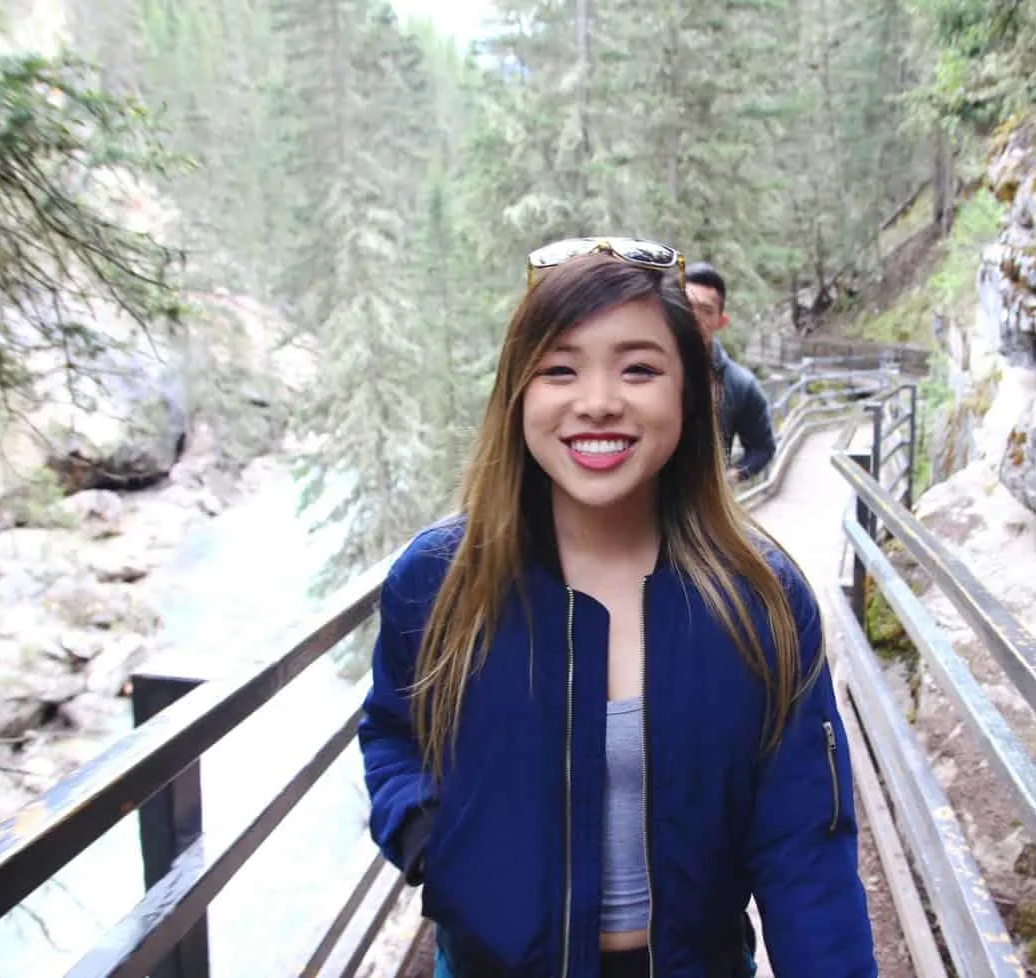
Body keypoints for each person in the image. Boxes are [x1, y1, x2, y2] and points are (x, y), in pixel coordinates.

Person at [358, 236, 878, 978]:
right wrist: (433, 845)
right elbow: (393, 731)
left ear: (689, 395)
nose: (598, 401)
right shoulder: (441, 580)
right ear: (517, 395)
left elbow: (808, 855)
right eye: (559, 369)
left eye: (639, 369)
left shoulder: (756, 600)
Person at [683, 261, 776, 485]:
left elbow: (762, 448)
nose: (693, 317)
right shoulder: (641, 370)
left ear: (721, 321)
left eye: (706, 311)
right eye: (685, 305)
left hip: (701, 510)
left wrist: (728, 480)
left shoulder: (740, 384)